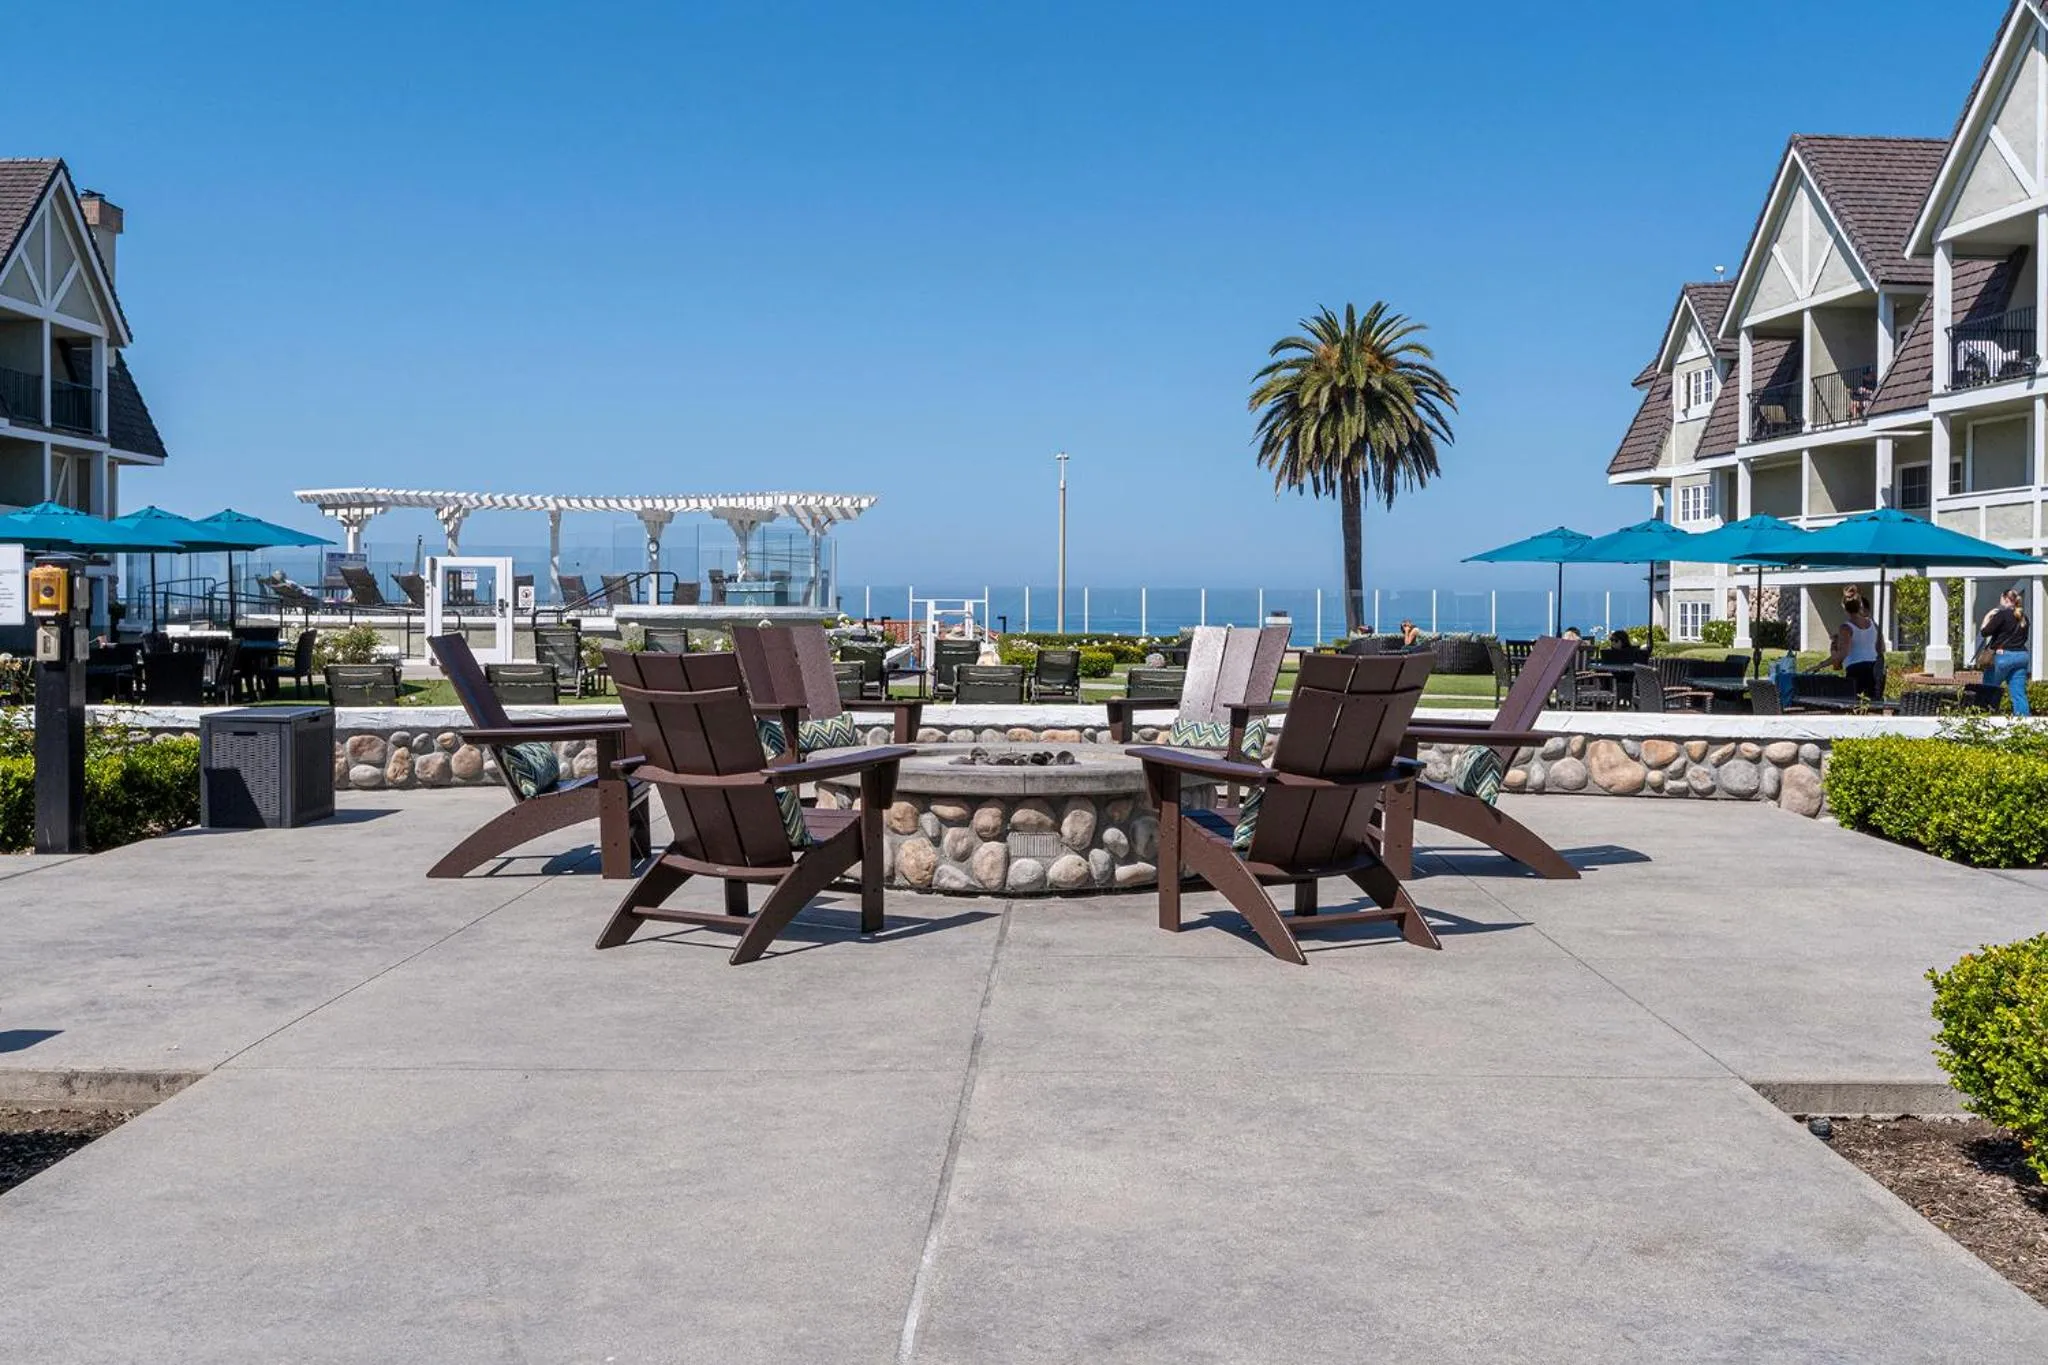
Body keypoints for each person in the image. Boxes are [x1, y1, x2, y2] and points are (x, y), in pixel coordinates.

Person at [1980, 587, 2032, 717]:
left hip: (2003, 656)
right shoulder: (2023, 617)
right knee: (2018, 693)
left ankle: (1986, 719)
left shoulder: (2001, 615)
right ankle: (2024, 724)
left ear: (2004, 598)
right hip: (2022, 656)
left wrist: (1988, 616)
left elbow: (1984, 632)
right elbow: (2024, 638)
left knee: (1989, 689)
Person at [1827, 588, 1883, 702]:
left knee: (1855, 705)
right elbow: (1881, 648)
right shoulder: (1873, 624)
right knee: (1873, 705)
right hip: (1875, 669)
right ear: (1860, 606)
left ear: (1844, 607)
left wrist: (1831, 652)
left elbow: (1843, 653)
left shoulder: (1846, 628)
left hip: (1857, 671)